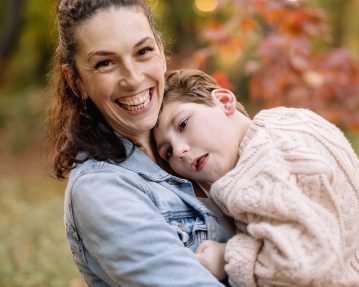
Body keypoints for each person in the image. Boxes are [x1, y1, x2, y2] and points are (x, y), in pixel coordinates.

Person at [46, 1, 235, 286]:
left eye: (143, 51)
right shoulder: (101, 189)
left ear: (160, 52)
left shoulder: (197, 133)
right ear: (76, 82)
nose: (133, 79)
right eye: (105, 63)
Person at [154, 68, 359, 287]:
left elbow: (304, 264)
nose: (180, 151)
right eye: (168, 152)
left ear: (224, 101)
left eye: (183, 124)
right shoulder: (288, 123)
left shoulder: (261, 161)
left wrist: (226, 257)